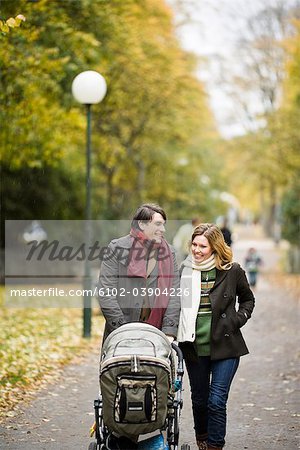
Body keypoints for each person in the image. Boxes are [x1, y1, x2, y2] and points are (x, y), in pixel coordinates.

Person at [97, 203, 181, 450]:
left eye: (164, 224)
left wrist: (169, 331)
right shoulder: (117, 248)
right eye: (158, 223)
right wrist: (122, 328)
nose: (162, 229)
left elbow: (174, 294)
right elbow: (106, 290)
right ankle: (121, 436)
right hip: (121, 334)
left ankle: (149, 436)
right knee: (120, 384)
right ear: (141, 224)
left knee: (155, 385)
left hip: (156, 335)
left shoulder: (170, 253)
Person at [177, 223, 255, 450]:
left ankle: (214, 445)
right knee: (200, 401)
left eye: (203, 246)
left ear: (215, 247)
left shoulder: (232, 271)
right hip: (193, 345)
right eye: (194, 244)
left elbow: (248, 299)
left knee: (216, 402)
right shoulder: (184, 270)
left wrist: (237, 319)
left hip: (226, 346)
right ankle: (202, 437)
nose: (196, 250)